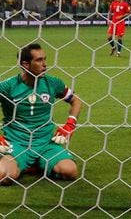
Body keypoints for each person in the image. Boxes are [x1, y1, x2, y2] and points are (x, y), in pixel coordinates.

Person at [0, 43, 82, 185]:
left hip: (45, 144)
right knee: (4, 175)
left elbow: (76, 101)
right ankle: (26, 162)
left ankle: (35, 163)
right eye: (39, 60)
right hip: (16, 144)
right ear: (26, 64)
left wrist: (70, 124)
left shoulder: (53, 83)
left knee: (70, 171)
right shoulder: (8, 86)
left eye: (45, 59)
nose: (45, 64)